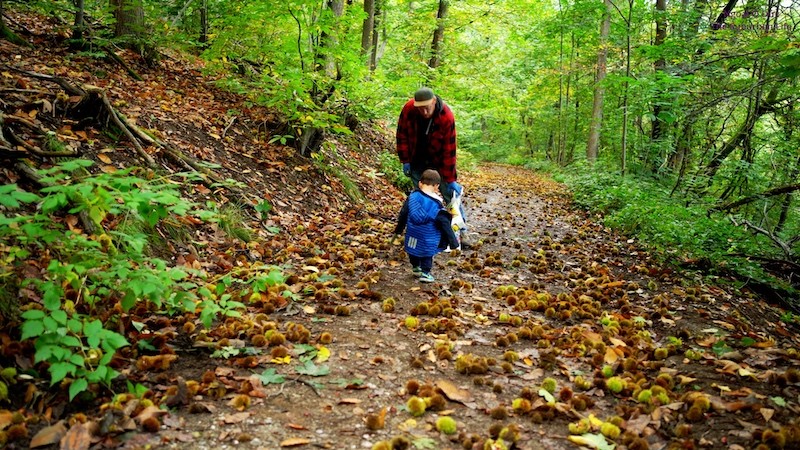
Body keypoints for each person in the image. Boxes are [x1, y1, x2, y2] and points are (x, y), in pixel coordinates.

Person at [396, 87, 462, 206]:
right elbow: (402, 135)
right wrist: (405, 160)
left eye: (427, 108)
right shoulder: (409, 109)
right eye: (421, 109)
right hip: (417, 159)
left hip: (439, 161)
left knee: (451, 197)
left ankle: (459, 224)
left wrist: (450, 179)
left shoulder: (446, 116)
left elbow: (449, 149)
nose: (425, 112)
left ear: (434, 101)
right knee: (422, 197)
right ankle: (424, 222)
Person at [395, 169, 459, 283]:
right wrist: (453, 242)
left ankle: (415, 267)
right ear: (436, 186)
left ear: (420, 183)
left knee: (413, 249)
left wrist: (399, 229)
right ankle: (425, 273)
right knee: (427, 253)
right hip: (428, 236)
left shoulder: (412, 197)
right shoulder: (436, 205)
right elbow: (444, 224)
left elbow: (403, 213)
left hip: (413, 233)